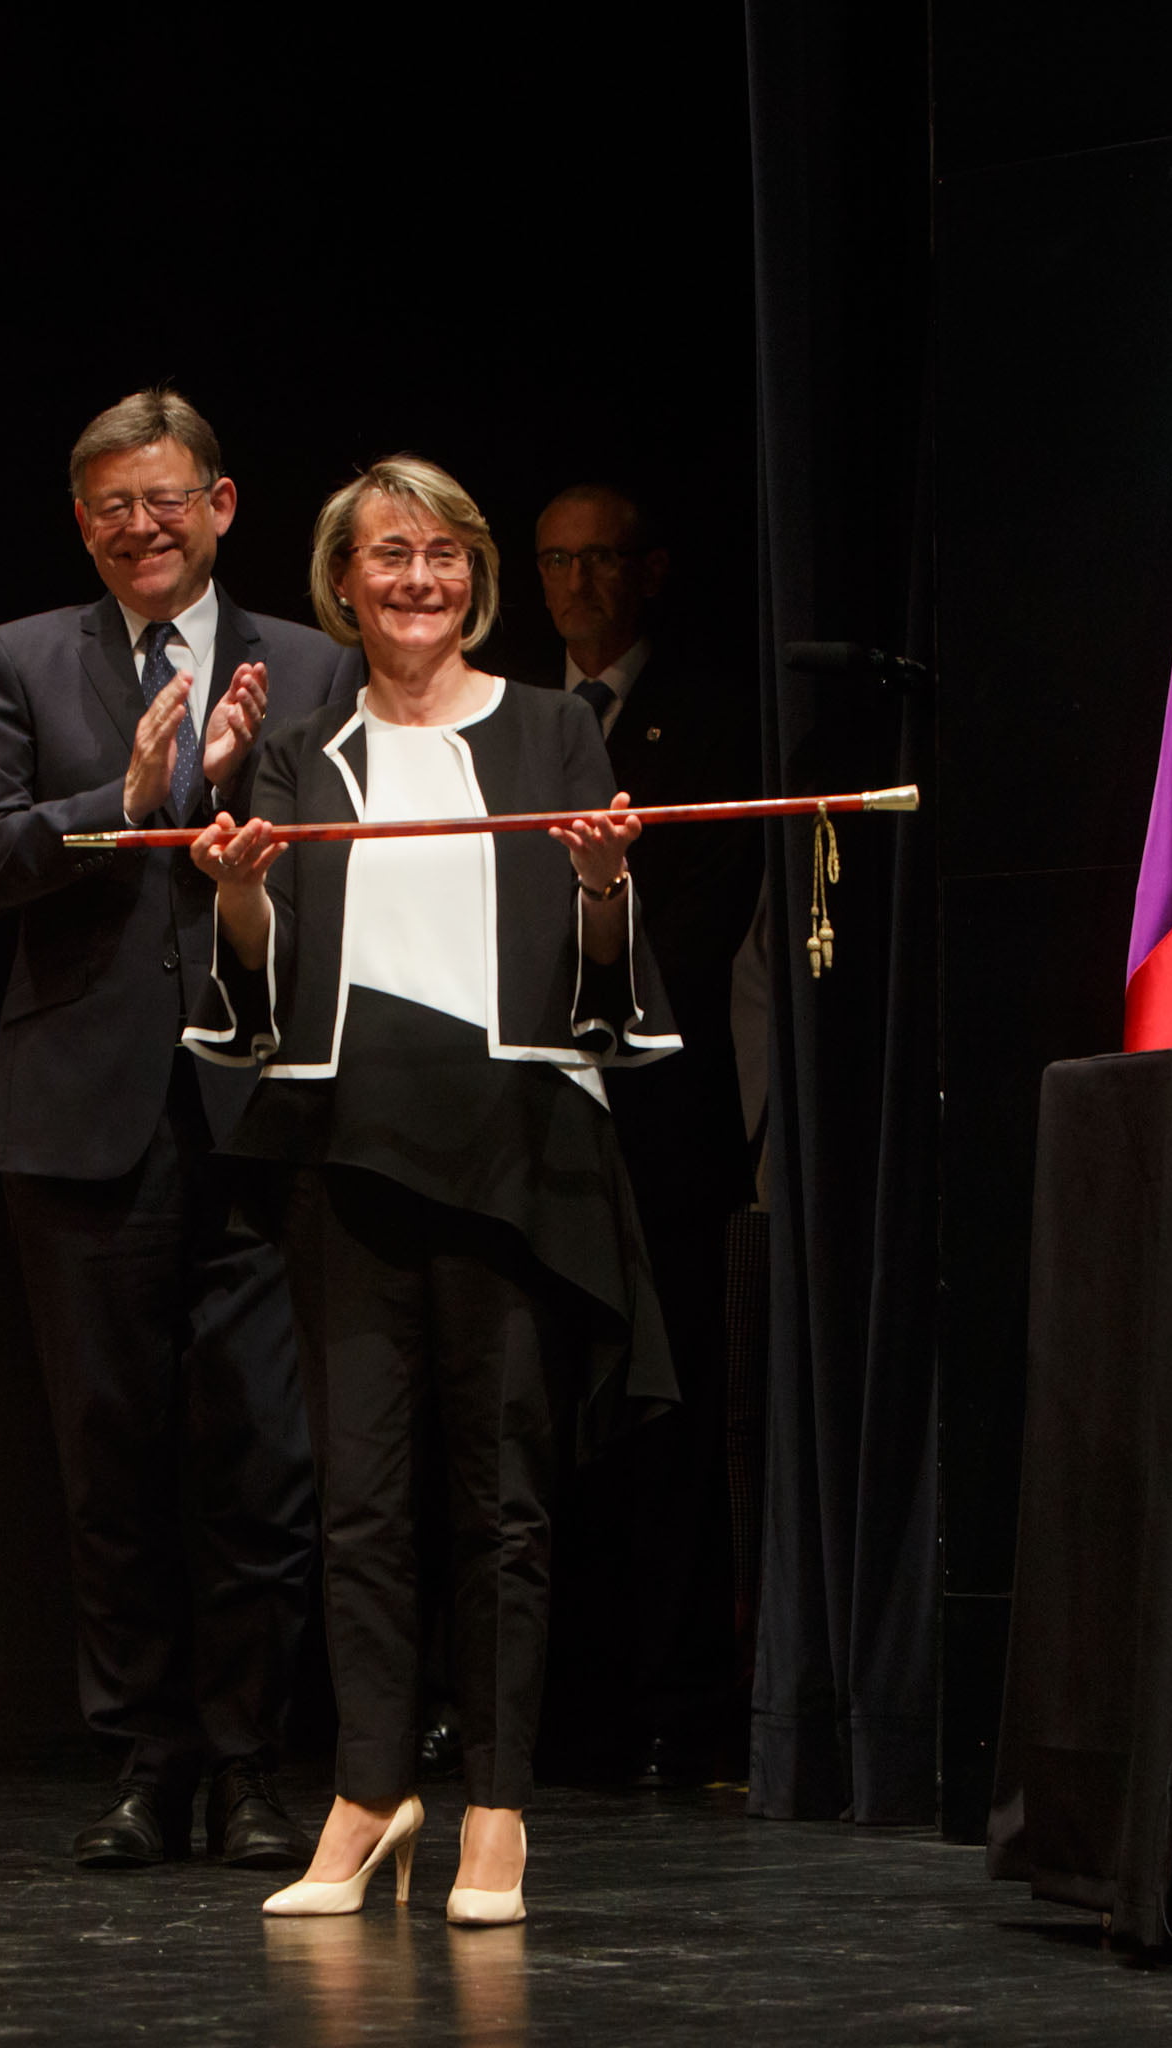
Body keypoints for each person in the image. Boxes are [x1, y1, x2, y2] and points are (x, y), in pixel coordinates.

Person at [183, 457, 679, 1925]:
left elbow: (605, 975)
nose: (418, 579)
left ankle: (499, 1808)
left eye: (445, 554)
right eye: (388, 555)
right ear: (344, 583)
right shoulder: (302, 752)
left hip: (511, 1151)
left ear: (477, 579)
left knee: (503, 1505)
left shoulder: (552, 731)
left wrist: (603, 887)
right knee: (359, 1502)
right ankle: (367, 1792)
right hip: (349, 1152)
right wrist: (239, 893)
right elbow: (262, 978)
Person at [0, 387, 352, 1872]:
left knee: (263, 1459)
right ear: (82, 522)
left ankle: (250, 1762)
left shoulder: (312, 664)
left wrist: (245, 795)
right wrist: (114, 803)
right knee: (108, 1459)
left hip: (262, 1113)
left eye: (166, 499)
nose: (142, 528)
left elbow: (347, 872)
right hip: (80, 1119)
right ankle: (144, 1759)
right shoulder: (21, 658)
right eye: (113, 506)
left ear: (222, 506)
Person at [533, 482, 764, 1786]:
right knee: (552, 1417)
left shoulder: (715, 719)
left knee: (673, 1413)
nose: (578, 585)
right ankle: (565, 1701)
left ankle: (685, 1697)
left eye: (601, 560)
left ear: (651, 570)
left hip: (665, 1114)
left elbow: (701, 916)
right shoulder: (517, 720)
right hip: (540, 1121)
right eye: (556, 561)